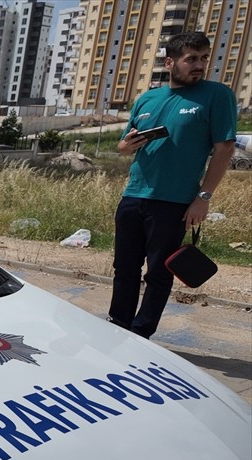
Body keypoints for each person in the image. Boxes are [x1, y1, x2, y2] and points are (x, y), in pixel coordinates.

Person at [107, 31, 237, 339]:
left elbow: (225, 149)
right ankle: (117, 327)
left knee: (159, 273)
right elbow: (124, 147)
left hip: (175, 202)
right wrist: (127, 145)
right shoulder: (148, 99)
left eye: (204, 58)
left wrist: (203, 197)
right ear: (170, 62)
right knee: (124, 268)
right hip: (134, 195)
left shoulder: (217, 95)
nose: (199, 65)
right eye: (191, 58)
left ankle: (140, 335)